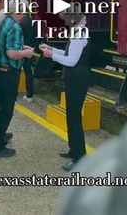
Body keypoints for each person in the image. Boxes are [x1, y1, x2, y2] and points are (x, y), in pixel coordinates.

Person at [40, 11, 90, 171]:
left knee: (74, 118)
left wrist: (52, 56)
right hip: (75, 78)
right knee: (71, 116)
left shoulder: (79, 35)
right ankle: (73, 149)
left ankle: (80, 157)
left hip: (77, 79)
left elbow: (71, 60)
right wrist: (52, 50)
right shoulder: (79, 32)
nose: (65, 23)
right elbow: (68, 54)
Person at [0, 0, 33, 158]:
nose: (24, 15)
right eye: (23, 12)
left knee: (0, 105)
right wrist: (26, 53)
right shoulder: (14, 27)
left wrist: (20, 49)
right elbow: (11, 54)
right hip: (7, 72)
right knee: (6, 109)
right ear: (16, 11)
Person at [13, 0, 37, 103]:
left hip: (21, 49)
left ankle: (14, 94)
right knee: (28, 72)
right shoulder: (31, 20)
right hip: (30, 49)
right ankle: (29, 94)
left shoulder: (20, 23)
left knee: (16, 71)